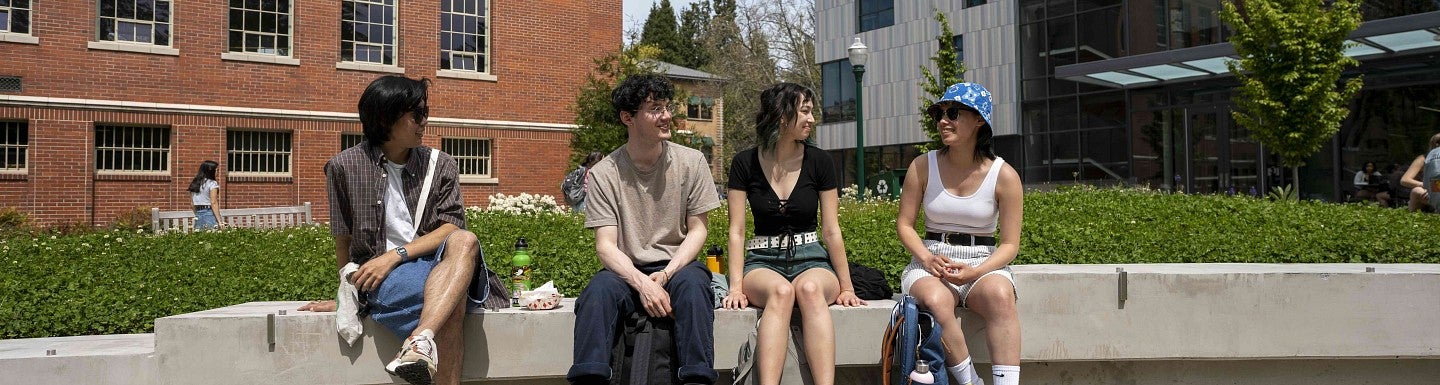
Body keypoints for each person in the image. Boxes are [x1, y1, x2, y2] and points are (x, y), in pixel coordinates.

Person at [298, 75, 486, 385]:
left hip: (439, 262)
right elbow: (343, 238)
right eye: (417, 114)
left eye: (425, 112)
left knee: (465, 239)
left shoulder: (441, 164)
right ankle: (423, 341)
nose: (424, 121)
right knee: (452, 302)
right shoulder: (344, 167)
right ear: (386, 117)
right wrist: (350, 296)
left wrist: (396, 255)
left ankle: (420, 339)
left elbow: (452, 226)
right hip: (381, 275)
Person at [568, 74, 722, 385]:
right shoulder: (603, 174)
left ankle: (697, 379)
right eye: (654, 109)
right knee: (597, 294)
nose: (666, 116)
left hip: (678, 266)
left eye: (667, 107)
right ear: (628, 117)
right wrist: (642, 283)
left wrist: (665, 276)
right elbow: (606, 246)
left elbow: (698, 231)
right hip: (626, 270)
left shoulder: (692, 162)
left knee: (694, 290)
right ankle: (590, 378)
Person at [720, 83, 865, 385]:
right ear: (782, 116)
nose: (812, 119)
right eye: (805, 111)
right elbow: (737, 231)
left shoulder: (820, 161)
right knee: (782, 292)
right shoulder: (743, 162)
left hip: (812, 257)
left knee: (810, 290)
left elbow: (831, 230)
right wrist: (735, 287)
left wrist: (847, 286)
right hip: (762, 260)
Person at [896, 83, 1022, 385]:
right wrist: (927, 258)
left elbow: (1009, 245)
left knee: (1000, 296)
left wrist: (975, 271)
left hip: (983, 262)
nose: (943, 120)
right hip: (931, 261)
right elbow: (904, 225)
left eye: (952, 112)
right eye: (939, 113)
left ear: (979, 119)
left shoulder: (1004, 175)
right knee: (936, 300)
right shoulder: (922, 166)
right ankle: (970, 383)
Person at [1400, 133, 1440, 212]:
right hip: (1428, 191)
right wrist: (1427, 186)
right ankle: (1413, 218)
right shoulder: (1422, 159)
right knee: (1416, 191)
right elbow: (1405, 180)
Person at [187, 160, 222, 230]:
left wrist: (197, 214)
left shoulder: (195, 183)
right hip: (209, 212)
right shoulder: (212, 183)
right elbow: (213, 202)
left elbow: (192, 204)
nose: (217, 172)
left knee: (200, 237)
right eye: (216, 170)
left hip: (198, 213)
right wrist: (220, 221)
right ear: (211, 171)